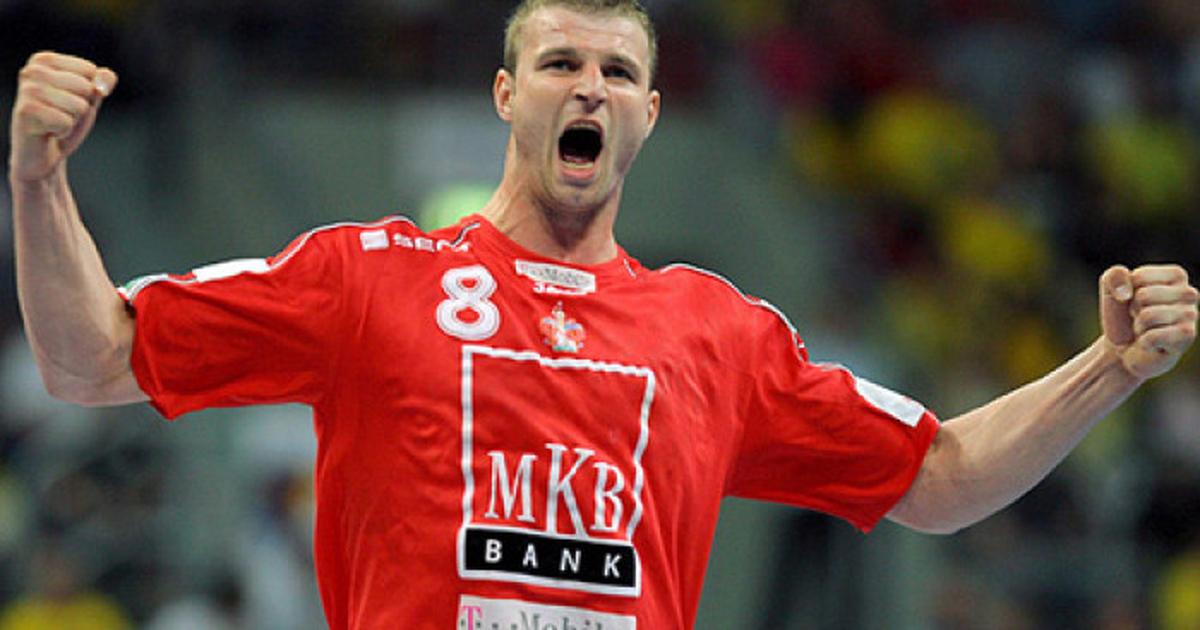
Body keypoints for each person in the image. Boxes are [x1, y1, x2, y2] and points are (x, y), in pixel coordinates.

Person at [8, 0, 1198, 627]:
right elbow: (89, 358)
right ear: (505, 94)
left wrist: (1107, 368)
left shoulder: (716, 333)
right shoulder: (365, 277)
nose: (591, 87)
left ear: (650, 114)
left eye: (619, 72)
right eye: (562, 63)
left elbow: (938, 479)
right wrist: (39, 180)